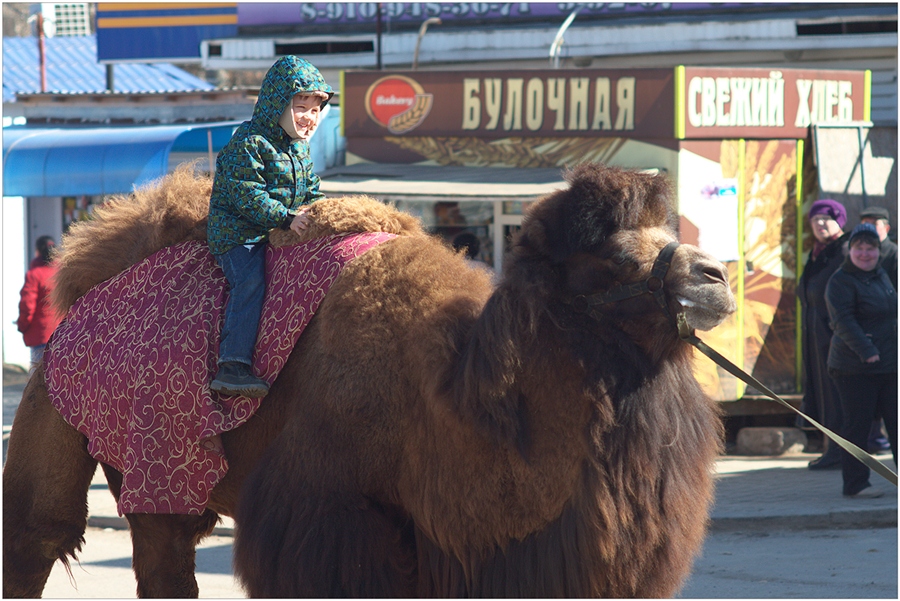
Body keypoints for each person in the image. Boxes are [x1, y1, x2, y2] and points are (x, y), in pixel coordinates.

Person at [207, 56, 333, 398]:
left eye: (315, 109)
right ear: (277, 103)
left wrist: (323, 211)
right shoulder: (249, 141)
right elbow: (245, 194)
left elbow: (310, 189)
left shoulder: (299, 150)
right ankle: (232, 365)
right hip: (239, 234)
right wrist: (287, 218)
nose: (308, 117)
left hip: (278, 228)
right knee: (250, 281)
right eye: (300, 106)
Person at [824, 223, 897, 498]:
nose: (865, 254)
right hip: (854, 368)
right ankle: (856, 484)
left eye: (871, 249)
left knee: (896, 423)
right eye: (859, 248)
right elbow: (843, 322)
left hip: (889, 365)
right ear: (849, 250)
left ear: (879, 251)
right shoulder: (840, 281)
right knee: (858, 426)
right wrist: (867, 351)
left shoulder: (881, 276)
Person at [797, 199, 849, 470]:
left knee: (835, 393)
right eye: (815, 220)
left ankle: (841, 450)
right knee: (822, 391)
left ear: (838, 221)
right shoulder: (818, 252)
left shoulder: (843, 251)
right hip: (815, 333)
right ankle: (831, 447)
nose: (819, 224)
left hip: (833, 334)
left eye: (825, 219)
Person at [17, 235, 63, 371]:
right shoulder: (62, 273)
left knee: (38, 382)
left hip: (41, 335)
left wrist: (22, 325)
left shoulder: (34, 274)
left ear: (37, 251)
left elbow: (27, 305)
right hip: (62, 334)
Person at [858, 206, 897, 290]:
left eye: (874, 224)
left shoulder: (894, 254)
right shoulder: (855, 252)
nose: (869, 228)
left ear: (886, 228)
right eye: (866, 224)